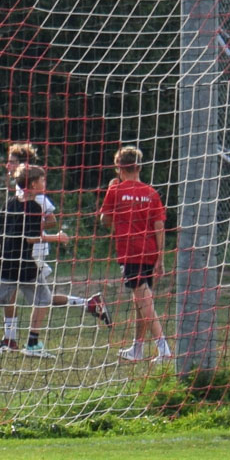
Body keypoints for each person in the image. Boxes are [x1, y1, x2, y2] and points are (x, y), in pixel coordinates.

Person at [0, 143, 111, 358]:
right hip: (20, 250)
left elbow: (50, 220)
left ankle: (21, 340)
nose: (8, 165)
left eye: (12, 161)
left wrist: (26, 228)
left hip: (33, 250)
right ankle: (12, 338)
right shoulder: (20, 191)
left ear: (24, 165)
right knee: (25, 295)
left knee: (35, 296)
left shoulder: (36, 195)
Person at [0, 163, 68, 360]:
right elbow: (31, 238)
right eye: (42, 180)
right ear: (32, 184)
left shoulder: (10, 202)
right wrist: (56, 238)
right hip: (23, 264)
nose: (44, 183)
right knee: (44, 299)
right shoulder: (34, 207)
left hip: (2, 261)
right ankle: (32, 344)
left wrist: (8, 241)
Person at [97, 145, 171, 362]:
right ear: (139, 167)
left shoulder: (115, 190)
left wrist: (110, 191)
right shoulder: (151, 193)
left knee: (144, 302)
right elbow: (159, 226)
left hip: (130, 253)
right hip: (150, 253)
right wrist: (161, 258)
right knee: (141, 301)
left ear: (118, 168)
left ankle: (164, 349)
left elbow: (105, 221)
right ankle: (137, 348)